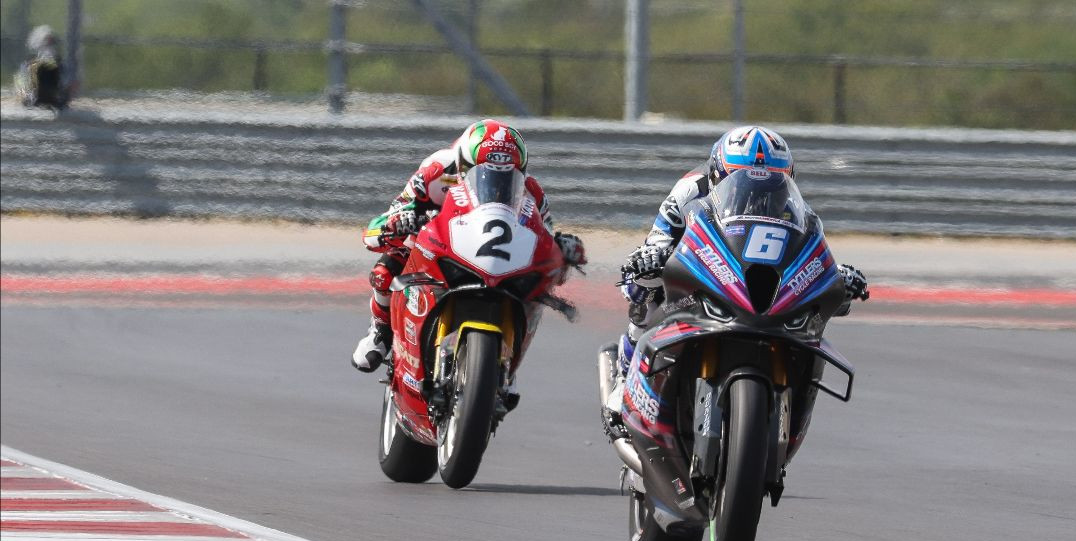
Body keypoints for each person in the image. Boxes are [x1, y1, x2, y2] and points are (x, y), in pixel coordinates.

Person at [605, 125, 869, 412]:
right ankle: (625, 371)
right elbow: (659, 236)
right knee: (642, 285)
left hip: (750, 281)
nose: (757, 190)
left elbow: (808, 247)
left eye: (772, 181)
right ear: (718, 173)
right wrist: (653, 256)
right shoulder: (690, 189)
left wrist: (836, 274)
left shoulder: (795, 205)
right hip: (695, 266)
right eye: (740, 179)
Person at [352, 118, 586, 372]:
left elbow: (547, 240)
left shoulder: (530, 190)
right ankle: (380, 330)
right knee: (385, 270)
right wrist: (401, 221)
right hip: (438, 244)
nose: (495, 179)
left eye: (507, 174)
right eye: (484, 169)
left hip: (497, 258)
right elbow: (390, 217)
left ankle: (506, 358)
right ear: (463, 163)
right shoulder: (435, 171)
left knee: (533, 295)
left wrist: (561, 251)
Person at [17, 25, 67, 109]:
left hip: (51, 99)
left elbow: (63, 81)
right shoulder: (30, 64)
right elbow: (22, 84)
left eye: (51, 42)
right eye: (47, 42)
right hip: (37, 99)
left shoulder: (58, 63)